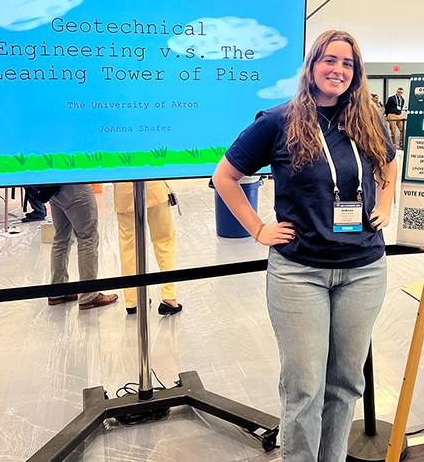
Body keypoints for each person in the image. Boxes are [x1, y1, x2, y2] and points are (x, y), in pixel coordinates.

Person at [211, 29, 396, 462]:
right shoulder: (278, 120)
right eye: (330, 60)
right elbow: (225, 177)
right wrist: (258, 230)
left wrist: (384, 204)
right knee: (304, 388)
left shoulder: (368, 118)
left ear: (357, 72)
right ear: (312, 66)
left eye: (348, 63)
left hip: (364, 269)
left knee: (347, 383)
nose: (338, 70)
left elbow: (388, 164)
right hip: (300, 273)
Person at [33, 184, 119, 310]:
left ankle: (57, 291)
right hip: (75, 187)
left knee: (61, 238)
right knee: (88, 238)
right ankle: (88, 295)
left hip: (54, 189)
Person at [114, 181, 180, 316]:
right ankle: (169, 297)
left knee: (128, 247)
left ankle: (132, 300)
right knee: (164, 242)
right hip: (154, 188)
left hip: (124, 194)